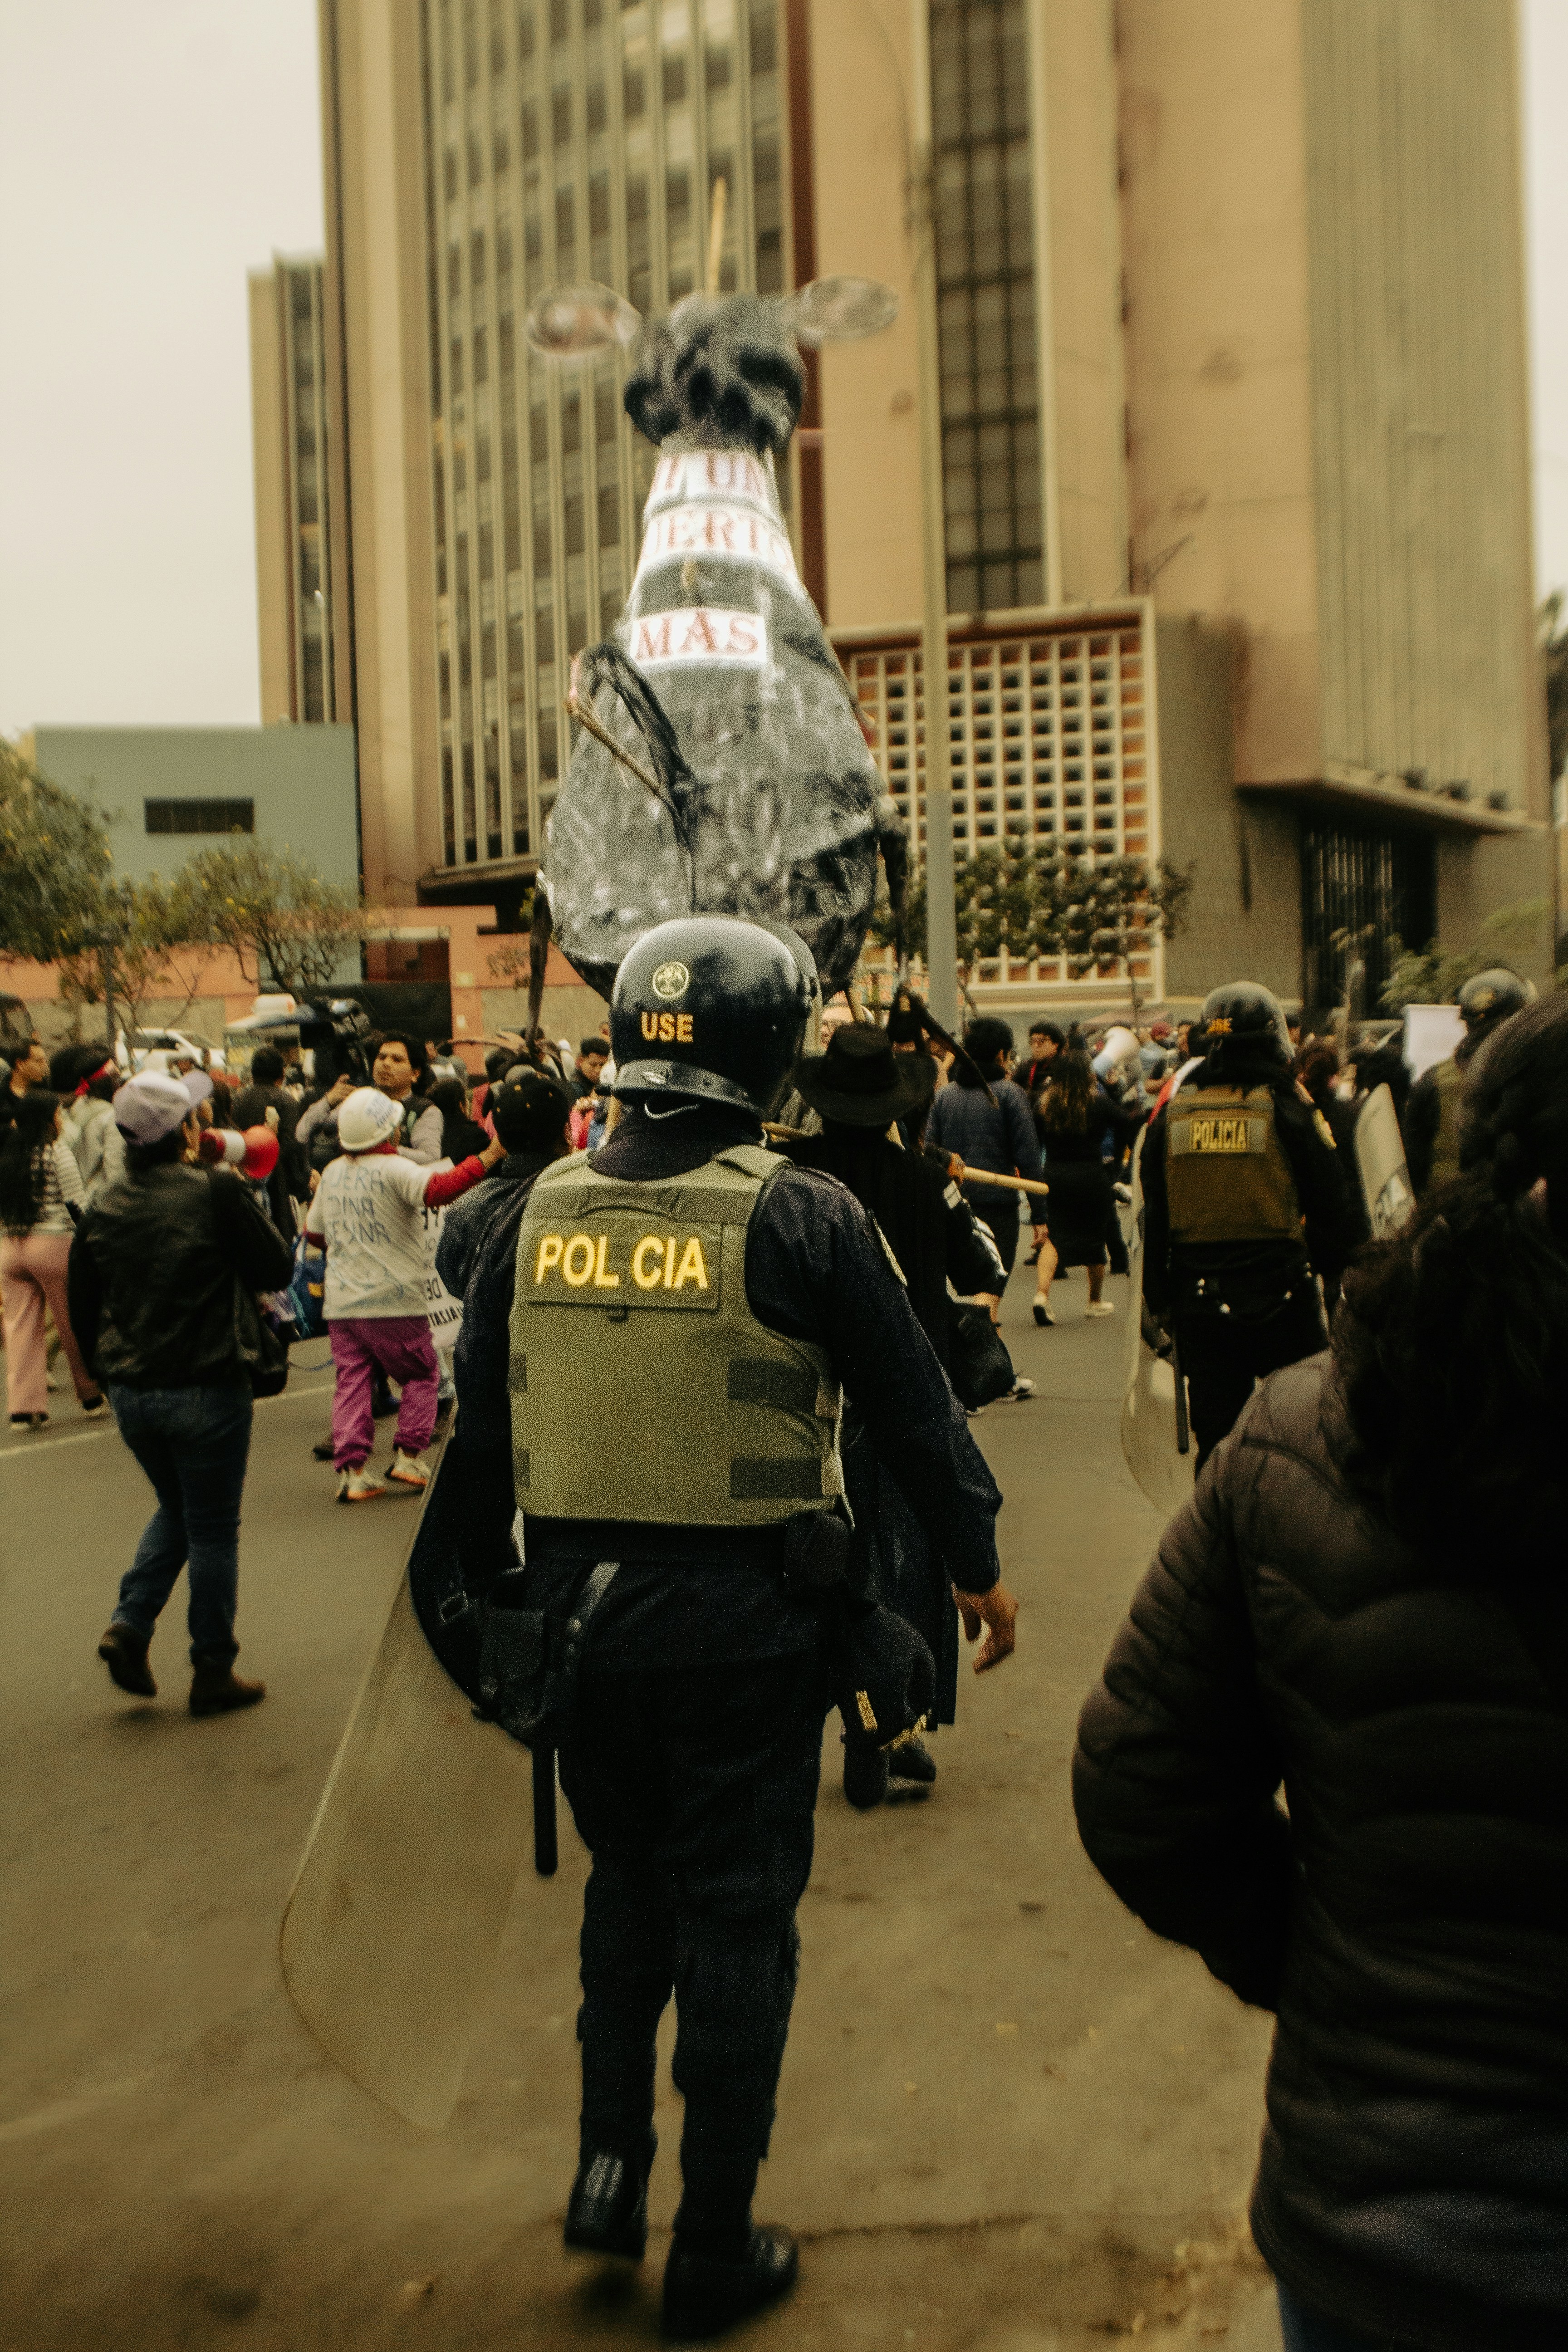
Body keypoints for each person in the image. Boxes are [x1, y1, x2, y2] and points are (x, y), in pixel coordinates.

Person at [454, 916, 1012, 2339]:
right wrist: (976, 1564)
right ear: (773, 1051)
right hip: (746, 1632)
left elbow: (482, 1438)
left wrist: (489, 1626)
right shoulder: (804, 1213)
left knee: (622, 1896)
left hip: (579, 1631)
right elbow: (913, 1405)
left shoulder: (533, 1212)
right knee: (738, 1921)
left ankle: (603, 2173)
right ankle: (711, 2241)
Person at [1073, 991, 1568, 2352]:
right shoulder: (1284, 1112)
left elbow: (1139, 1790)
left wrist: (1328, 1962)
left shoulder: (1300, 1441)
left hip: (1384, 2231)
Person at [785, 1021, 1014, 1805]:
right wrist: (946, 1183)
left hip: (809, 1398)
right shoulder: (924, 1180)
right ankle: (895, 1723)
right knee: (909, 1563)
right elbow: (985, 1266)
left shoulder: (789, 1177)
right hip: (907, 1392)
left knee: (822, 1563)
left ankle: (844, 1717)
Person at [69, 1069, 294, 1713]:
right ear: (188, 1132)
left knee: (178, 1508)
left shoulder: (103, 1205)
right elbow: (276, 1265)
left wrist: (105, 1375)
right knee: (214, 1526)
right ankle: (212, 1666)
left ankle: (131, 1625)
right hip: (207, 1379)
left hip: (133, 1389)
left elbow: (86, 1306)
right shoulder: (214, 1194)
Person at [1139, 982, 1351, 1470]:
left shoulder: (1171, 1117)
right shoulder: (1290, 1110)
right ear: (1275, 1038)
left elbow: (1156, 1219)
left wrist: (1162, 1302)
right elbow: (1334, 1210)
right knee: (1307, 1436)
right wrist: (1331, 1276)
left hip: (1201, 1309)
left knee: (1218, 1447)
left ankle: (1219, 1539)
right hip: (1285, 1302)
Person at [304, 1084, 503, 1503]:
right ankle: (409, 1454)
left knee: (352, 1381)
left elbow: (315, 1233)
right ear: (391, 1132)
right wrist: (486, 1159)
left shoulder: (335, 1173)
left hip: (342, 1305)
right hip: (394, 1300)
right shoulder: (395, 1170)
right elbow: (439, 1190)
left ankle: (353, 1470)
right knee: (422, 1372)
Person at [923, 1016, 1047, 1310]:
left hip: (953, 1201)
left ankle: (985, 1340)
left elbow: (929, 1149)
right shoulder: (1009, 1095)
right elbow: (1028, 1156)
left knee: (969, 1285)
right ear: (1002, 1055)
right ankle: (980, 1338)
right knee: (991, 1284)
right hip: (999, 1204)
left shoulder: (945, 1097)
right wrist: (1040, 1215)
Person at [0, 1089, 103, 1430]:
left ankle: (23, 1408)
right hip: (53, 1244)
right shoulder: (56, 1152)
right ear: (48, 1121)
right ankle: (90, 1394)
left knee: (19, 1328)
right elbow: (76, 1204)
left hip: (10, 1247)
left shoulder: (7, 1156)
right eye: (58, 1116)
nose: (61, 1121)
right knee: (72, 1321)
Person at [435, 1068, 573, 1303]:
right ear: (566, 1132)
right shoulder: (583, 1197)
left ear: (500, 1137)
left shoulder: (469, 1206)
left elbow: (453, 1277)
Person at [1404, 967, 1534, 1196]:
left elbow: (1413, 1165)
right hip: (1511, 1223)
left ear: (1468, 1023)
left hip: (1448, 1219)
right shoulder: (1534, 1078)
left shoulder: (1432, 1081)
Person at [1030, 1050, 1139, 1324]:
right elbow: (1126, 1124)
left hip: (1054, 1174)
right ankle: (1094, 1301)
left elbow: (1034, 1139)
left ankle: (1042, 1295)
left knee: (1055, 1236)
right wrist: (1117, 1163)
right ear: (1087, 1075)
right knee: (1095, 1236)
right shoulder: (1098, 1103)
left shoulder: (1045, 1104)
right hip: (1092, 1174)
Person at [232, 1044, 308, 1221]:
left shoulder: (239, 1100)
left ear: (253, 1073)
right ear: (282, 1074)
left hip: (243, 1176)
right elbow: (293, 1144)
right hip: (279, 1184)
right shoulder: (287, 1102)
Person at [0, 1034, 49, 1135]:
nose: (45, 1067)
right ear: (20, 1064)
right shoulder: (3, 1100)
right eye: (39, 1061)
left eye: (44, 1061)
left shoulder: (44, 1087)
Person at [1018, 1020, 1066, 1096]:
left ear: (1056, 1044)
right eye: (1033, 1041)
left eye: (1041, 1041)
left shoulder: (1065, 1068)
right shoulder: (1025, 1068)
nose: (1036, 1046)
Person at [569, 1034, 609, 1101]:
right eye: (593, 1065)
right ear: (581, 1061)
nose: (598, 1070)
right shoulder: (575, 1088)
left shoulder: (605, 1082)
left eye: (602, 1065)